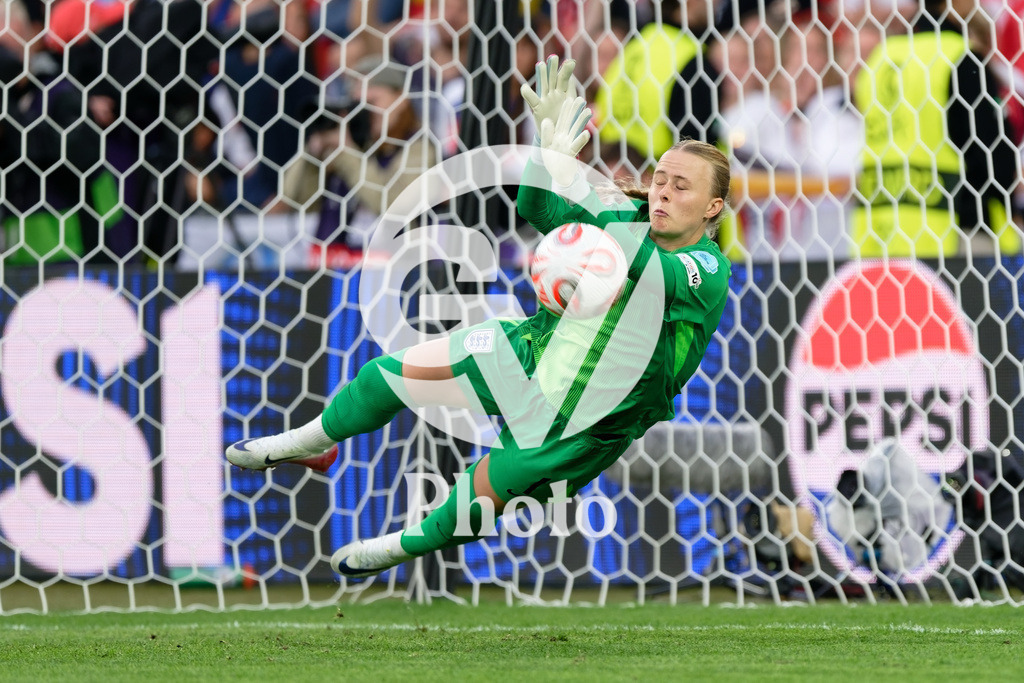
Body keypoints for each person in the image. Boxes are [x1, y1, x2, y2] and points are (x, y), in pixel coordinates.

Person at [225, 57, 732, 579]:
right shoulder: (625, 215)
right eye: (661, 179)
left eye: (681, 187)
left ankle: (403, 546)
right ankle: (313, 440)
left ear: (713, 207)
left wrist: (591, 224)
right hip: (530, 350)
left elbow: (657, 276)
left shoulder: (708, 269)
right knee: (387, 376)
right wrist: (547, 158)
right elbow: (537, 209)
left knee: (478, 496)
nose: (663, 192)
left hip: (589, 418)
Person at [852, 0, 1022, 257]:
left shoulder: (881, 57)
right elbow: (994, 155)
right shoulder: (960, 57)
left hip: (883, 233)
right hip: (957, 234)